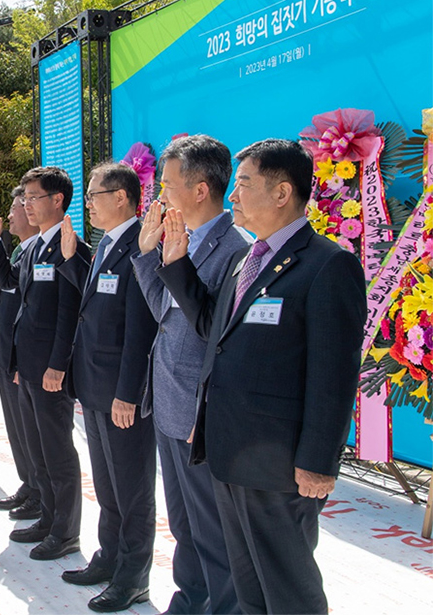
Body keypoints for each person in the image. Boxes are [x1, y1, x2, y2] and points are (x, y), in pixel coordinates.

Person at [158, 139, 367, 614]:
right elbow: (216, 332)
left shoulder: (327, 265)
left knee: (287, 588)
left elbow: (334, 375)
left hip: (280, 465)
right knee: (249, 587)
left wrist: (318, 460)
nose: (232, 196)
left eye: (245, 185)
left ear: (282, 193)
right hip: (230, 452)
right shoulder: (245, 260)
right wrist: (176, 264)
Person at [132, 135, 245, 615]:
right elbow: (162, 308)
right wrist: (146, 253)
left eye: (168, 185)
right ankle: (188, 600)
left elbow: (219, 334)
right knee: (183, 525)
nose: (160, 195)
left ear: (201, 190)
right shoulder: (185, 241)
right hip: (169, 403)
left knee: (213, 531)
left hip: (200, 413)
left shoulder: (235, 250)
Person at [56, 163, 158, 613]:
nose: (89, 203)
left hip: (122, 392)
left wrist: (129, 392)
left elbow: (141, 327)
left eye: (96, 194)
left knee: (133, 489)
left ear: (121, 197)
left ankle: (134, 577)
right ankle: (110, 556)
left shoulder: (141, 244)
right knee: (108, 485)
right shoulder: (104, 246)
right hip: (95, 387)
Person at [0, 166, 90, 561]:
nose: (26, 205)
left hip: (49, 369)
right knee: (39, 450)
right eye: (24, 198)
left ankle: (66, 533)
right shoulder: (34, 247)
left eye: (33, 197)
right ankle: (48, 518)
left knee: (58, 453)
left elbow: (69, 311)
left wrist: (58, 364)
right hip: (27, 365)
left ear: (57, 200)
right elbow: (12, 287)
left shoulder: (67, 245)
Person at [0, 186, 42, 521]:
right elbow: (5, 283)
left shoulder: (47, 250)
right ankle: (29, 483)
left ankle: (40, 490)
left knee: (32, 430)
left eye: (15, 207)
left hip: (26, 357)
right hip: (8, 351)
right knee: (16, 427)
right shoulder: (22, 249)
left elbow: (13, 286)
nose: (10, 215)